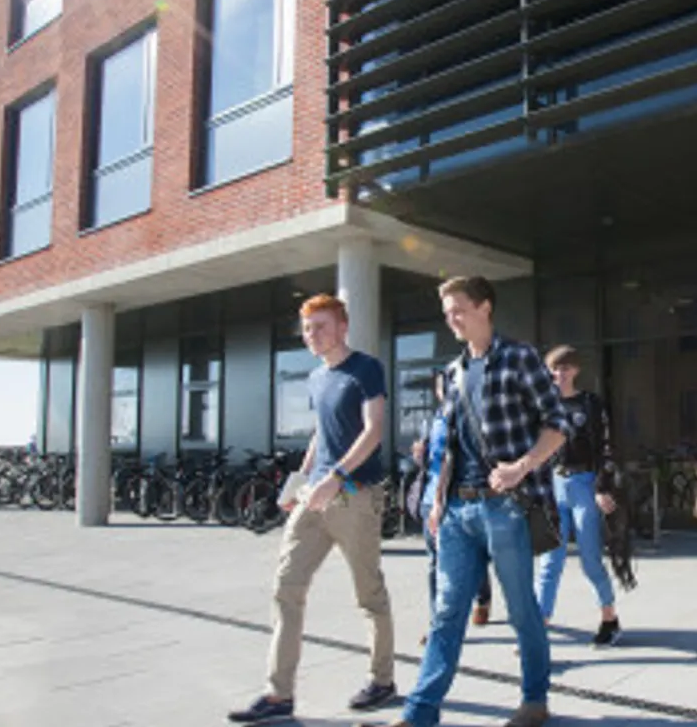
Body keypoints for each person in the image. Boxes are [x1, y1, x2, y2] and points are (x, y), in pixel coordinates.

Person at [387, 276, 570, 727]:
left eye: (459, 309)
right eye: (447, 311)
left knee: (520, 607)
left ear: (485, 307)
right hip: (456, 510)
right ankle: (420, 713)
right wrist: (437, 498)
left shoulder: (519, 358)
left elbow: (559, 424)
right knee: (448, 611)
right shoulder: (451, 372)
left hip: (504, 506)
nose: (451, 318)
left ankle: (534, 700)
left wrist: (521, 466)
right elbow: (451, 444)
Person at [228, 294, 396, 723]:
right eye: (306, 328)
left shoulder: (366, 369)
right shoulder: (316, 378)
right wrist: (298, 484)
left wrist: (335, 477)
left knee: (369, 593)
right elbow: (320, 436)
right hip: (315, 495)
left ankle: (382, 681)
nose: (312, 335)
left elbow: (374, 430)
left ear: (342, 327)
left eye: (320, 326)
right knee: (287, 586)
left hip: (355, 495)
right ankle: (278, 694)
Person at [536, 345, 622, 647]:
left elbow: (606, 448)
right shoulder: (544, 406)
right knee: (549, 560)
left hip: (584, 482)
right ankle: (539, 623)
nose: (560, 373)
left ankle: (609, 617)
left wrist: (602, 486)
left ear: (576, 370)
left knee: (590, 558)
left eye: (566, 367)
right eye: (555, 368)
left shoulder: (589, 404)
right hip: (553, 485)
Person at [412, 368, 493, 643]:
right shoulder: (431, 420)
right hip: (430, 500)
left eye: (449, 385)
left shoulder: (467, 417)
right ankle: (439, 624)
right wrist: (420, 455)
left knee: (471, 560)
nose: (444, 390)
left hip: (455, 500)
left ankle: (482, 597)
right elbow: (432, 461)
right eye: (440, 386)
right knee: (436, 564)